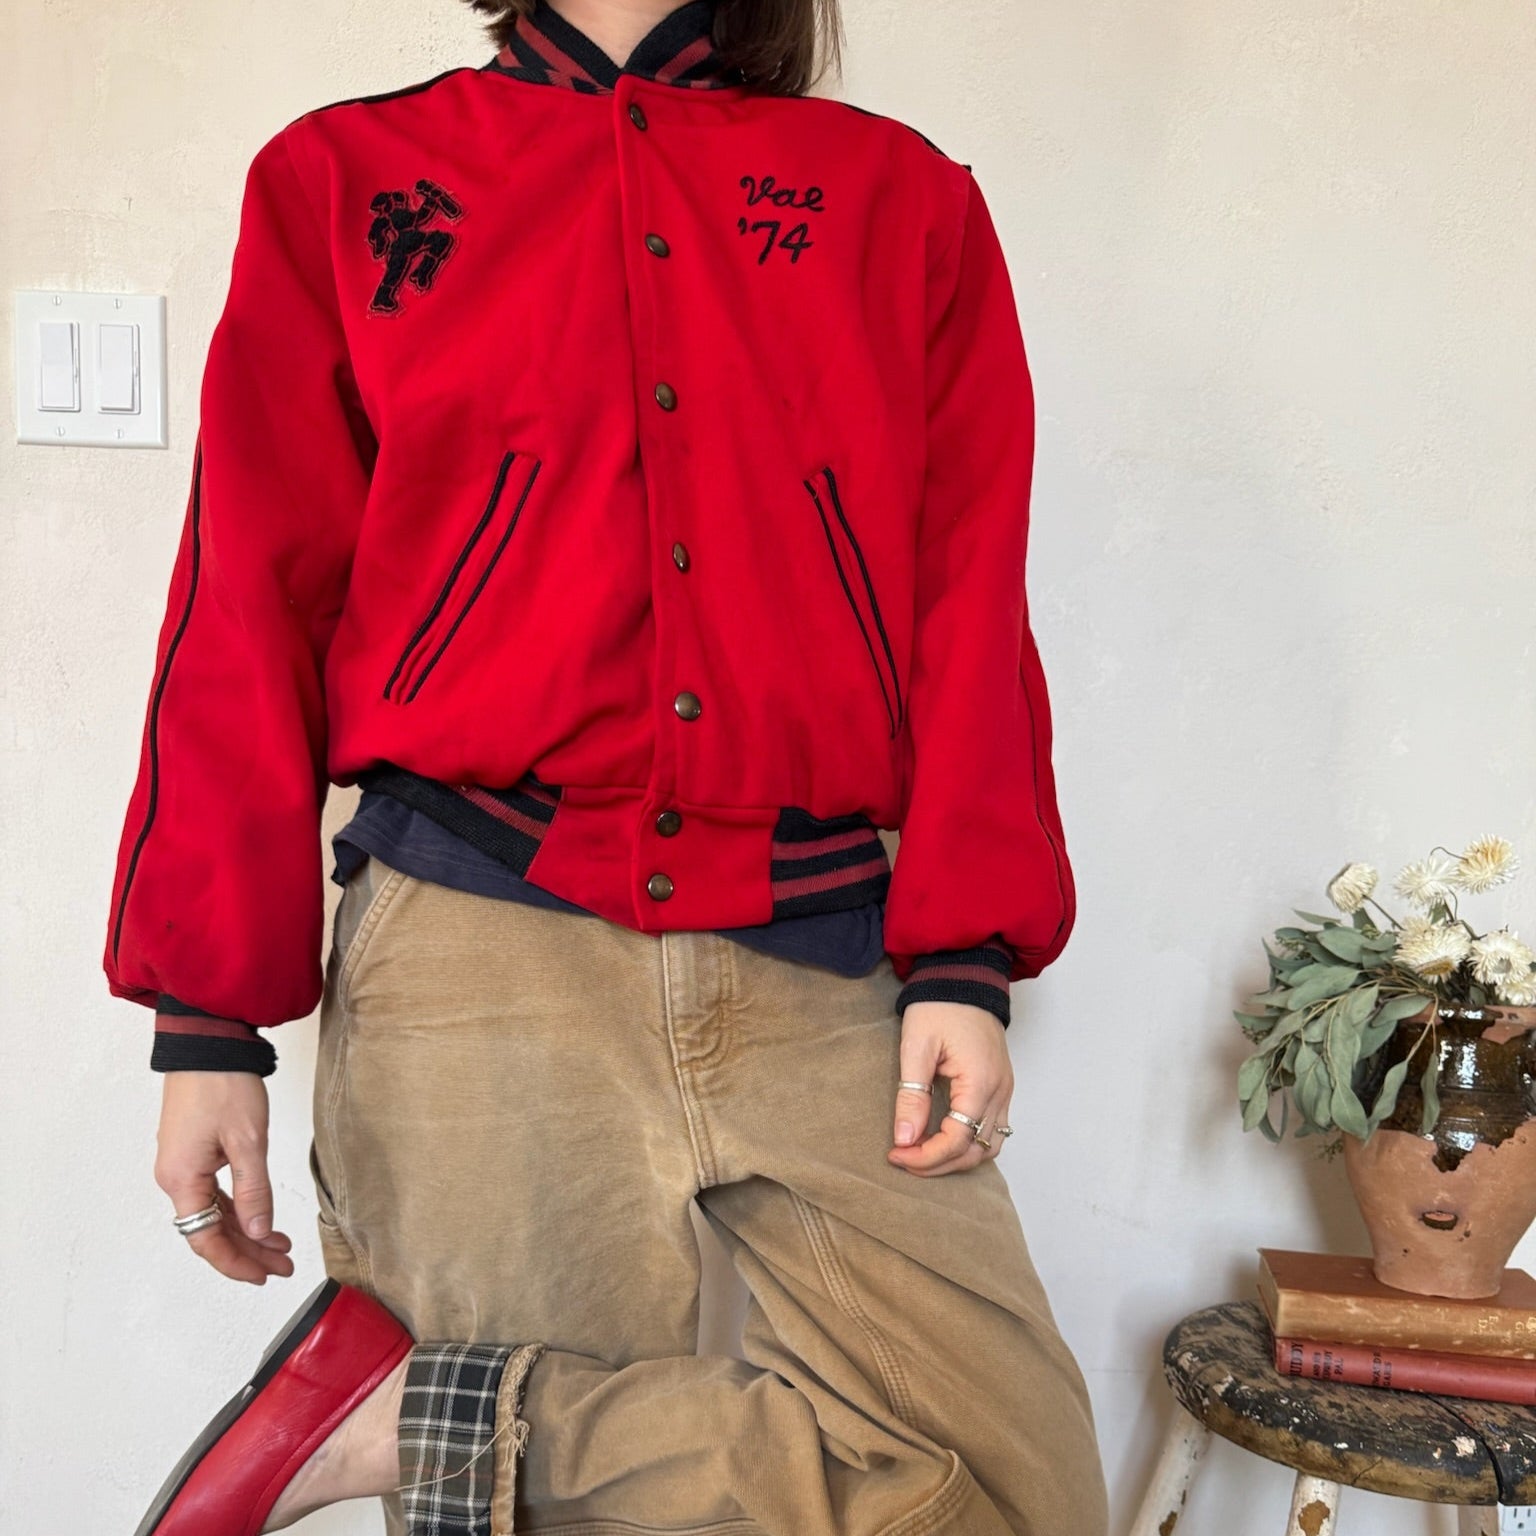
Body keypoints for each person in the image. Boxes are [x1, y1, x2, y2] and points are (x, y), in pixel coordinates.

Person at [107, 1, 1109, 1532]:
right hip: (478, 943)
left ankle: (414, 1416)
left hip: (818, 951)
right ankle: (447, 1429)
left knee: (1014, 1492)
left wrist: (966, 956)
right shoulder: (348, 177)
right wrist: (206, 1021)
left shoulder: (895, 197)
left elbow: (969, 589)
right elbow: (249, 589)